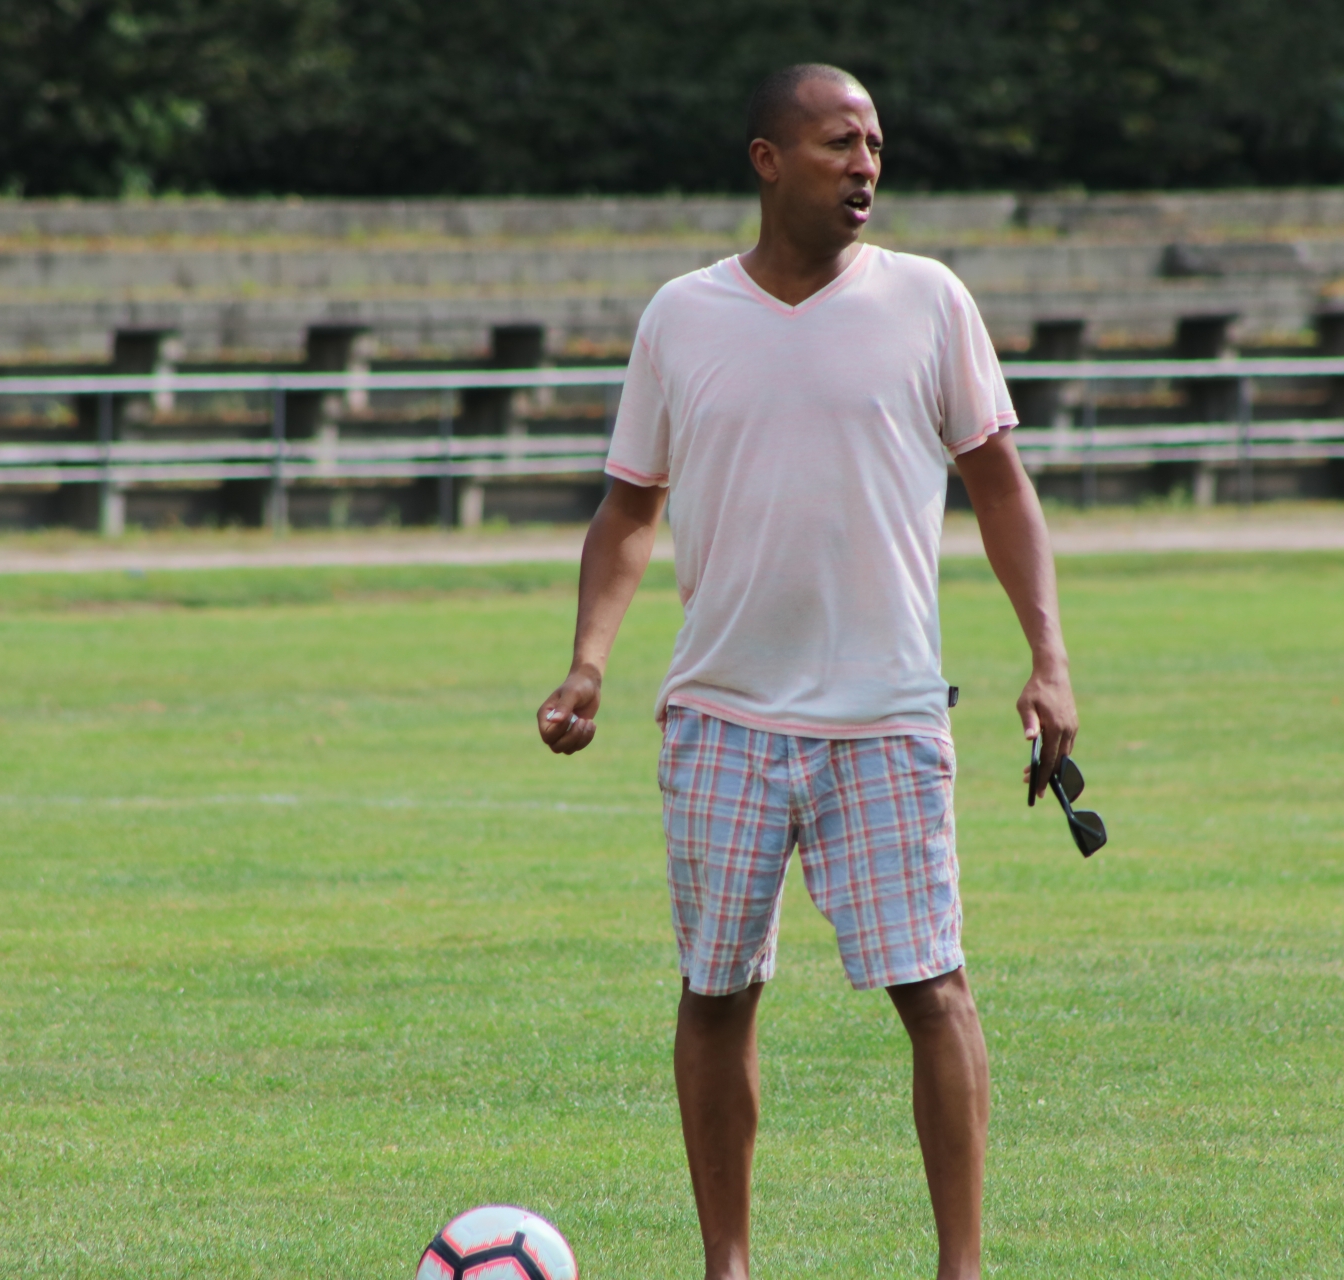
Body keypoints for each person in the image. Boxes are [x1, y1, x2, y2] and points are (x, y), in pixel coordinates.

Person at [535, 63, 1078, 1280]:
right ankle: (727, 1262)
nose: (866, 165)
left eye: (876, 143)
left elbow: (1002, 489)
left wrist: (1048, 658)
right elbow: (629, 508)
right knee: (716, 989)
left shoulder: (929, 300)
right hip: (721, 714)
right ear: (768, 160)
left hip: (886, 715)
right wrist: (588, 662)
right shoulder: (682, 315)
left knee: (933, 987)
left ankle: (962, 1265)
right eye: (840, 142)